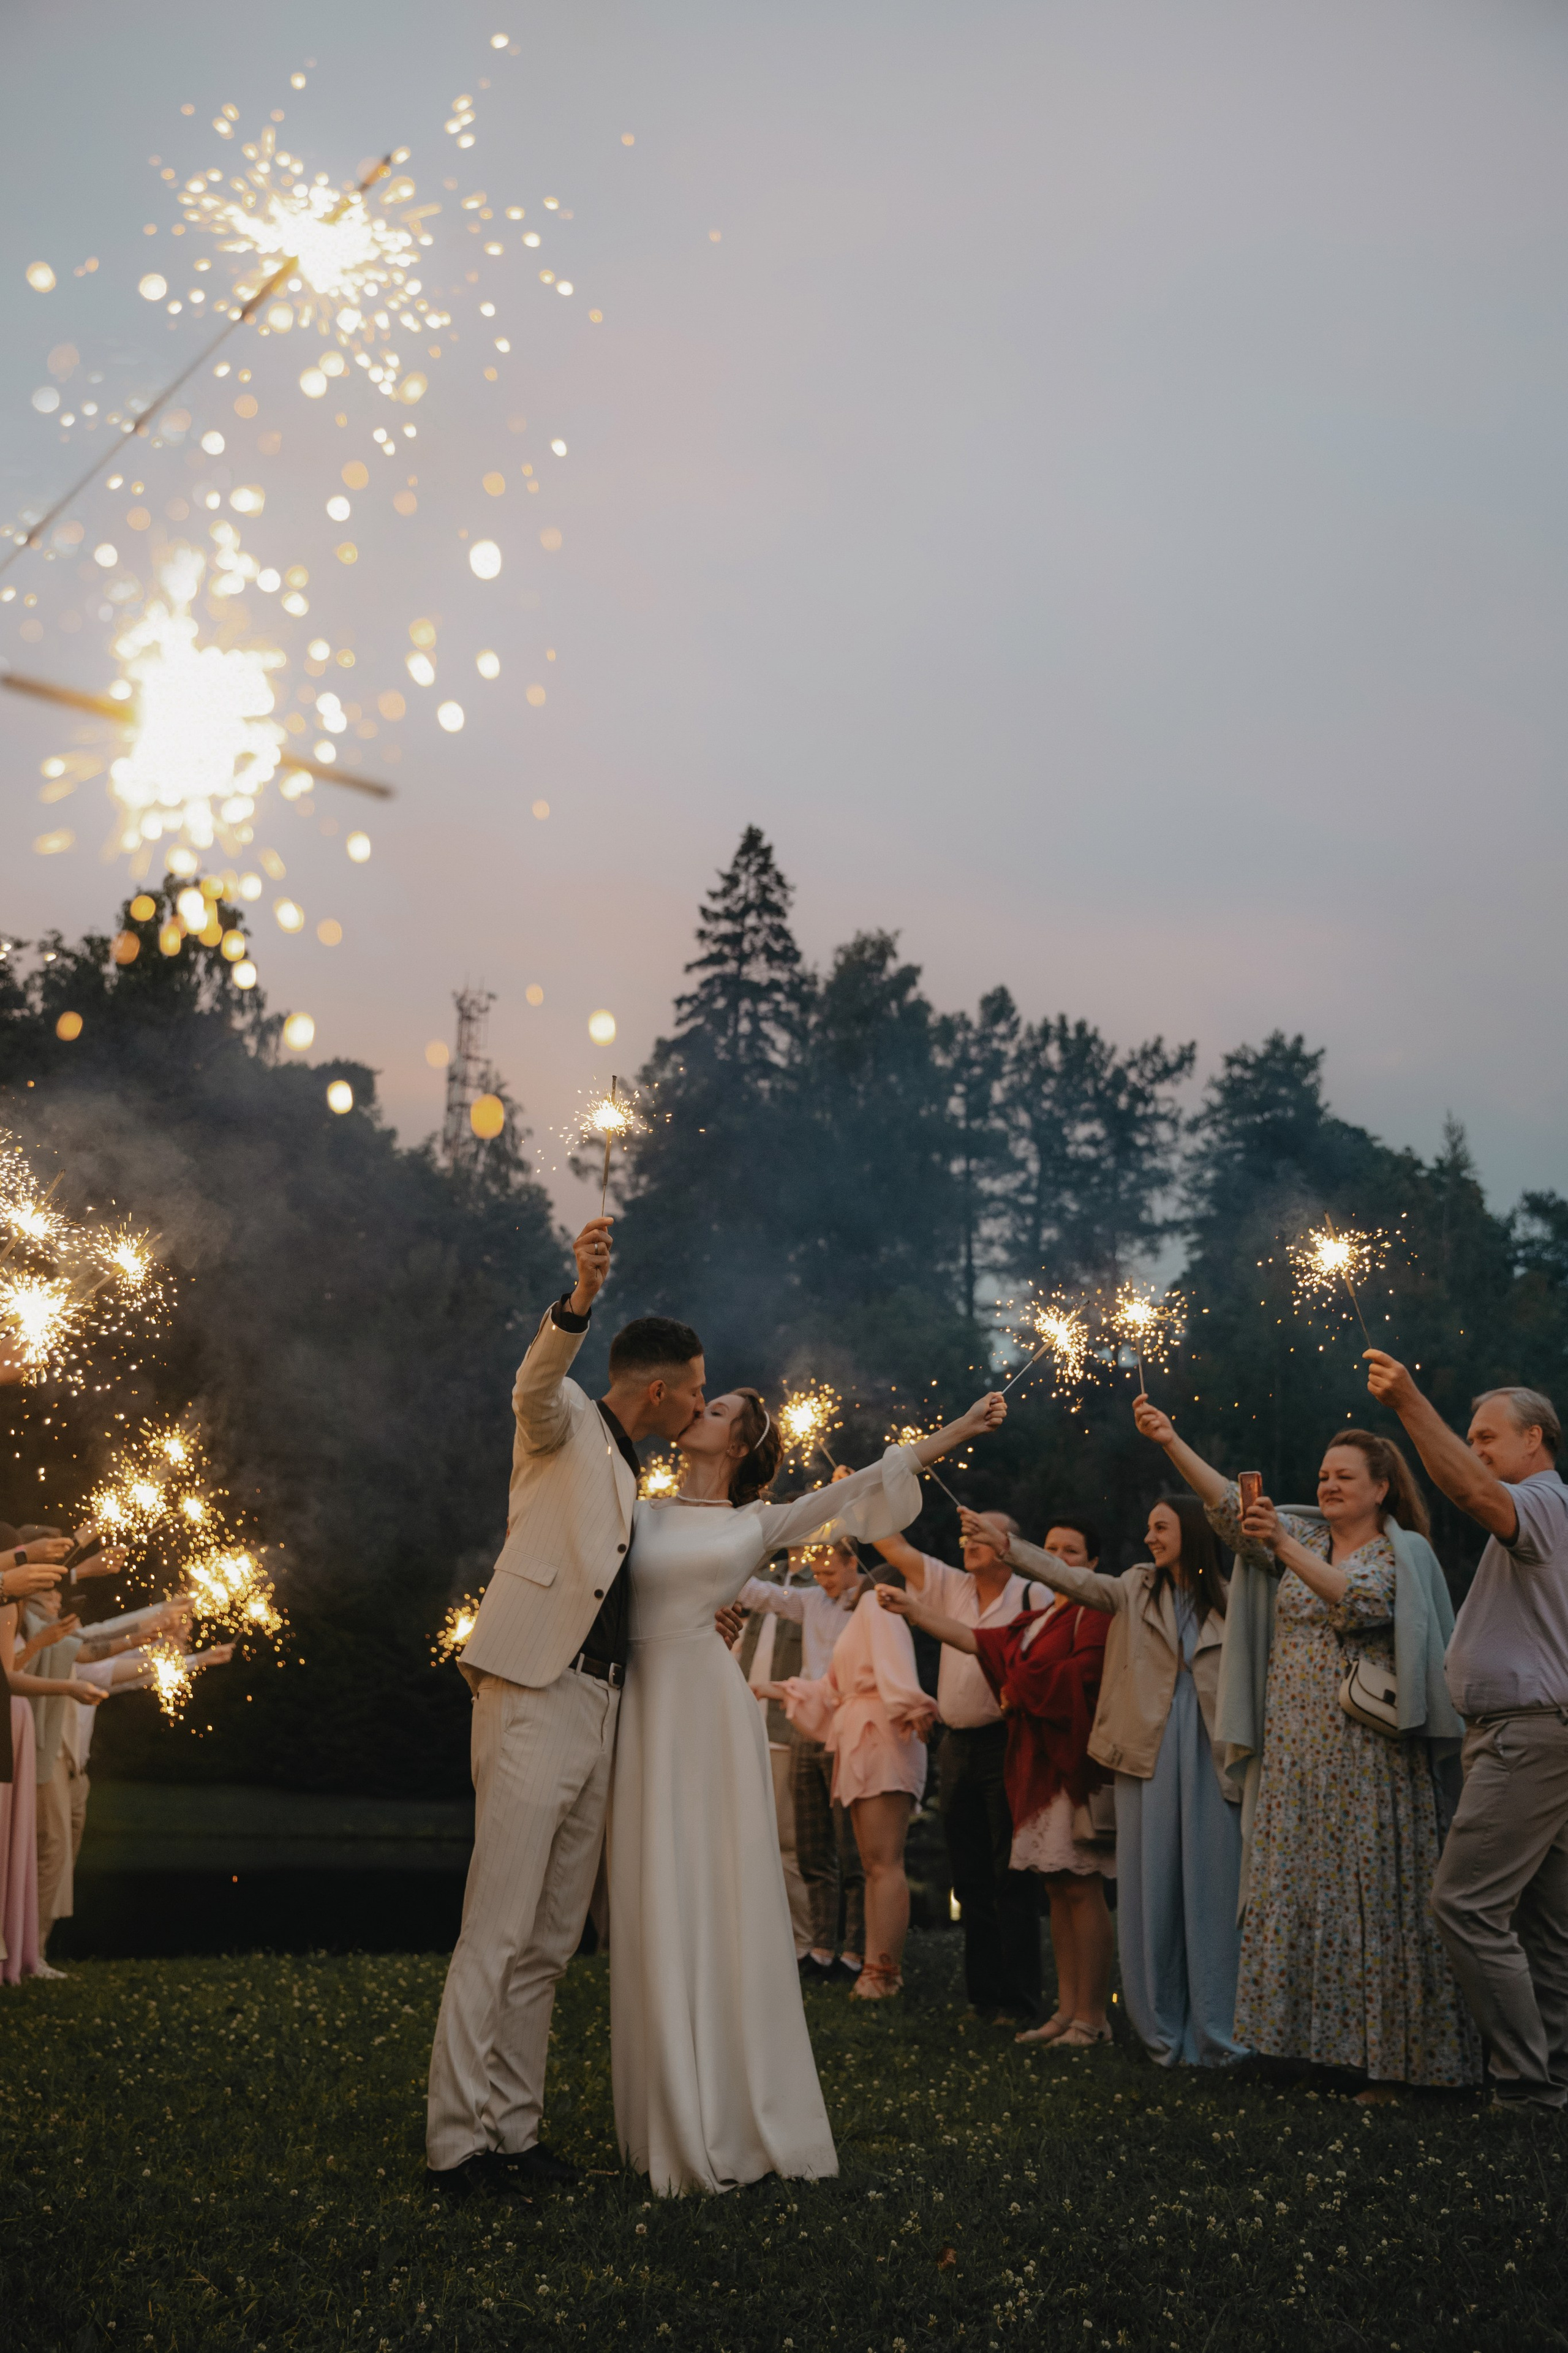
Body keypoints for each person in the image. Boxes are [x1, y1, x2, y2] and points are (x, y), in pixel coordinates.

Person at [609, 1384, 1007, 2195]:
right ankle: (662, 2103)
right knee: (653, 1888)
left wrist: (961, 1426)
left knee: (714, 1886)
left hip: (709, 1713)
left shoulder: (755, 1524)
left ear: (741, 1446)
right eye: (705, 1399)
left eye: (718, 1410)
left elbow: (865, 1485)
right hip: (647, 1708)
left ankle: (728, 2102)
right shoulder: (636, 1507)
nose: (699, 1408)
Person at [424, 1217, 710, 2197]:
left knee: (550, 1940)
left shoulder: (638, 1473)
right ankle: (456, 2145)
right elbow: (532, 1385)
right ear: (661, 1387)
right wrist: (579, 1299)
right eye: (700, 1389)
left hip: (603, 1706)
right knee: (497, 1929)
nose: (702, 1405)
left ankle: (515, 2132)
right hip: (534, 1691)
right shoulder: (568, 1419)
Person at [1139, 1395, 1480, 2097]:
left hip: (1368, 1759)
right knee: (1297, 1897)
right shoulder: (1302, 1536)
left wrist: (1281, 1543)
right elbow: (1228, 1509)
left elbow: (1356, 1602)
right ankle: (1309, 2053)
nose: (1326, 1485)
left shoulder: (1399, 1552)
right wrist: (1170, 1439)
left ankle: (1395, 2065)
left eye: (1343, 1477)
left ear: (1380, 1488)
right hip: (1295, 1754)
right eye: (1322, 1475)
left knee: (1372, 1903)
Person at [973, 1490, 1245, 2068]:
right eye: (1148, 1527)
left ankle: (1220, 2018)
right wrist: (1010, 1548)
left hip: (1210, 1751)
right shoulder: (1134, 1587)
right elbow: (1071, 1581)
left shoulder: (1233, 1597)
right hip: (1146, 1750)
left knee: (1212, 1881)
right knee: (1151, 1884)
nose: (1150, 1537)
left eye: (1162, 1527)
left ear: (1192, 1532)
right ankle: (1160, 2020)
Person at [1364, 1358, 1568, 2110]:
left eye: (1487, 1435)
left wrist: (1410, 1400)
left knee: (1463, 1905)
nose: (1475, 1446)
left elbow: (1470, 1490)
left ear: (1534, 1439)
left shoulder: (1541, 1504)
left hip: (1528, 1737)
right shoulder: (1548, 1511)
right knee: (1547, 1926)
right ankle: (1553, 2081)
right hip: (1536, 1733)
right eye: (1471, 1435)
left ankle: (1523, 2085)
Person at [880, 1516, 1115, 2047]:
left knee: (1073, 1884)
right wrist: (914, 1609)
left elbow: (1084, 1675)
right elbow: (976, 1641)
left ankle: (1089, 2015)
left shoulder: (1094, 1612)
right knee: (1052, 1885)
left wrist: (1018, 1687)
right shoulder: (1035, 1618)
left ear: (1094, 1565)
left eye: (1071, 1552)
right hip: (1023, 1760)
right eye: (1050, 1548)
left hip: (1064, 1763)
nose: (1058, 1558)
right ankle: (1065, 2009)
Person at [869, 1511, 1054, 2023]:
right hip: (957, 1745)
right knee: (969, 1875)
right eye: (965, 1534)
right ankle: (983, 1996)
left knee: (1010, 1871)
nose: (967, 1540)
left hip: (1009, 1740)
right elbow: (893, 1546)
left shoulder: (1031, 1596)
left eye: (980, 1534)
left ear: (1009, 1544)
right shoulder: (951, 1585)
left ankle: (1020, 2001)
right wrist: (862, 1491)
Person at [762, 1577, 935, 2000]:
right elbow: (830, 1687)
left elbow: (894, 1667)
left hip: (880, 1733)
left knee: (884, 1863)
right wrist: (774, 1689)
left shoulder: (879, 1606)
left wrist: (911, 1703)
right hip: (861, 1733)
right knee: (874, 1863)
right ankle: (877, 1967)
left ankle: (883, 1970)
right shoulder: (860, 1618)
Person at [737, 1537, 869, 1982]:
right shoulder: (812, 1600)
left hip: (851, 1732)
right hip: (807, 1727)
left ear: (853, 1564)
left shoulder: (870, 1604)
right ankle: (820, 1949)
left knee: (852, 1850)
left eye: (832, 1572)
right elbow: (759, 1594)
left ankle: (857, 1950)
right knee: (813, 1848)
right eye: (821, 1573)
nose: (825, 1581)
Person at [730, 1550, 815, 1956]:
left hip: (787, 1729)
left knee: (787, 1841)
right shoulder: (763, 1577)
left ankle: (801, 1942)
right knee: (743, 1838)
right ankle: (753, 1936)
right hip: (746, 1726)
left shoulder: (820, 1586)